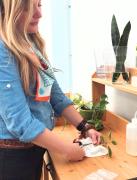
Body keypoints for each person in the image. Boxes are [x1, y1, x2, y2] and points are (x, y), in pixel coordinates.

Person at [0, 0, 101, 179]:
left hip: (35, 146)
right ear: (10, 11)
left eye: (39, 5)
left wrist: (85, 127)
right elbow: (20, 123)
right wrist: (68, 149)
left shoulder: (31, 44)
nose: (39, 14)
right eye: (28, 8)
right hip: (12, 157)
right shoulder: (3, 50)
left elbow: (55, 95)